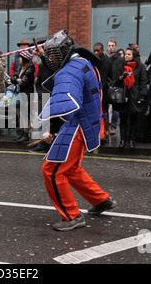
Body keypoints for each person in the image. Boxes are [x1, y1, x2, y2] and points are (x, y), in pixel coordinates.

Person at [37, 30, 116, 231]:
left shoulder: (68, 70)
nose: (51, 59)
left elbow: (64, 103)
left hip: (76, 126)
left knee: (52, 171)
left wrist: (50, 129)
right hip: (89, 123)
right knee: (70, 169)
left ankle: (72, 215)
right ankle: (101, 200)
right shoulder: (82, 61)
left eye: (53, 54)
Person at [111, 47, 147, 148]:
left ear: (134, 56)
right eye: (125, 54)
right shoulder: (121, 66)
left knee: (134, 119)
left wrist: (142, 96)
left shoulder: (140, 66)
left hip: (134, 96)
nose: (126, 55)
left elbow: (143, 82)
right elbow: (114, 81)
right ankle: (122, 140)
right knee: (123, 119)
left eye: (129, 54)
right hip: (123, 95)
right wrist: (121, 78)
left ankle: (132, 140)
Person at [10, 50, 35, 143]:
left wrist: (17, 79)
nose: (19, 59)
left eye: (20, 57)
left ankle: (25, 134)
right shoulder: (20, 67)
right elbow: (13, 78)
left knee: (24, 114)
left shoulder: (30, 68)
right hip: (19, 94)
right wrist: (17, 79)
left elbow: (24, 82)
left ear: (24, 58)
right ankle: (20, 133)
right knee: (19, 114)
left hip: (26, 94)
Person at [93, 42, 113, 142]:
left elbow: (111, 77)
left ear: (103, 50)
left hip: (104, 91)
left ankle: (105, 132)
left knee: (104, 112)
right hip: (93, 91)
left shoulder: (108, 62)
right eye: (94, 50)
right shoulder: (92, 61)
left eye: (98, 50)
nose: (96, 52)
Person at [106, 39, 124, 135]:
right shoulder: (104, 58)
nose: (111, 47)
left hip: (116, 85)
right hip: (107, 85)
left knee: (116, 107)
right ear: (107, 47)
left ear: (116, 47)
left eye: (113, 45)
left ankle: (113, 127)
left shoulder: (120, 60)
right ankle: (106, 128)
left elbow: (121, 72)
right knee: (105, 107)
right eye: (109, 45)